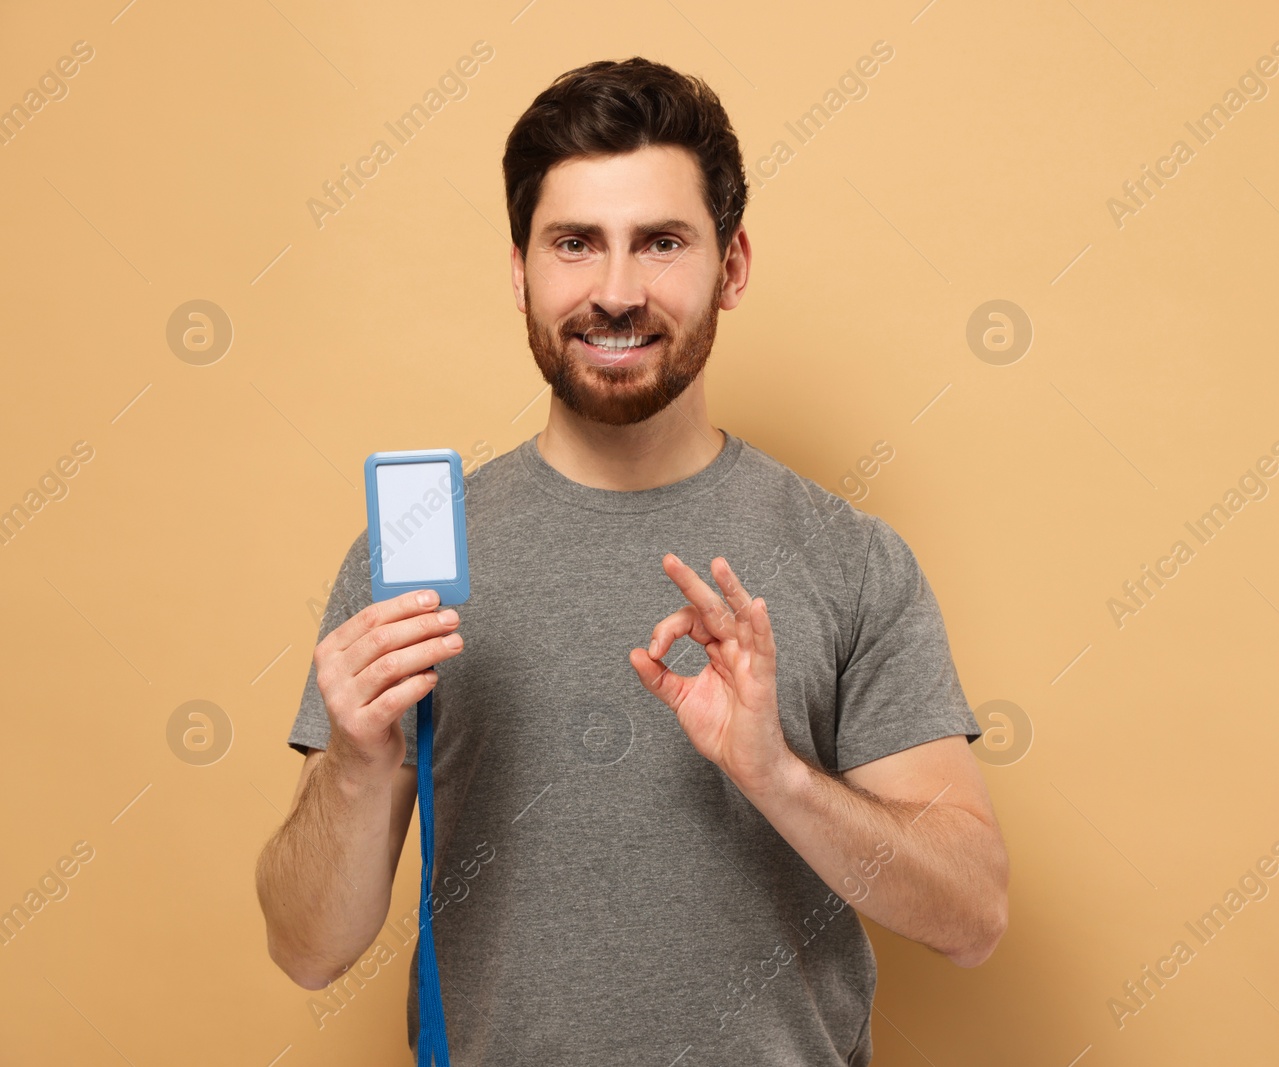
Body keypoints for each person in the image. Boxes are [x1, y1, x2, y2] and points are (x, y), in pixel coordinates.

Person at [254, 56, 1008, 1066]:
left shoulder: (849, 556)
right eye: (575, 244)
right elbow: (307, 948)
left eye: (660, 243)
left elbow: (972, 914)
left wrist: (775, 775)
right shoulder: (414, 556)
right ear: (518, 268)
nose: (615, 291)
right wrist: (353, 765)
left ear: (730, 266)